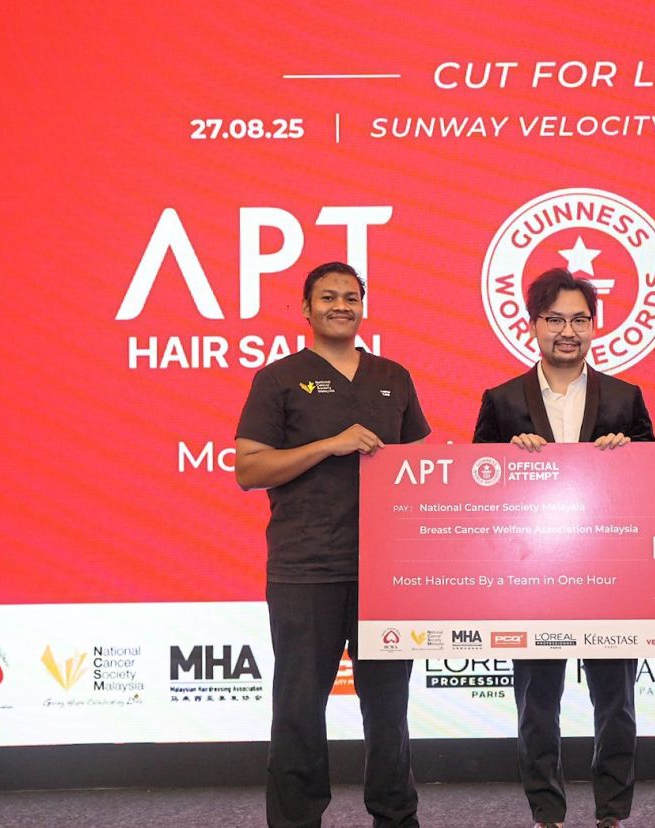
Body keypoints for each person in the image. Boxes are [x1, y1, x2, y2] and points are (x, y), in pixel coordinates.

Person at [235, 261, 430, 828]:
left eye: (350, 296)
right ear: (306, 308)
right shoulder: (278, 378)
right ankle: (296, 820)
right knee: (299, 710)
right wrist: (331, 444)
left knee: (389, 710)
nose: (340, 305)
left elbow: (422, 467)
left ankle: (396, 816)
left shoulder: (394, 375)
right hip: (306, 569)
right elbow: (248, 468)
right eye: (327, 297)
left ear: (363, 305)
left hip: (384, 574)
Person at [473, 268, 655, 828]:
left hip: (611, 578)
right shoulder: (501, 400)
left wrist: (629, 453)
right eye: (555, 320)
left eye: (579, 319)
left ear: (594, 327)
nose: (567, 331)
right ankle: (546, 812)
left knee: (617, 703)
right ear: (533, 326)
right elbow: (474, 486)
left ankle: (612, 813)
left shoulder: (626, 397)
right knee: (535, 703)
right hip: (533, 577)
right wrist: (509, 455)